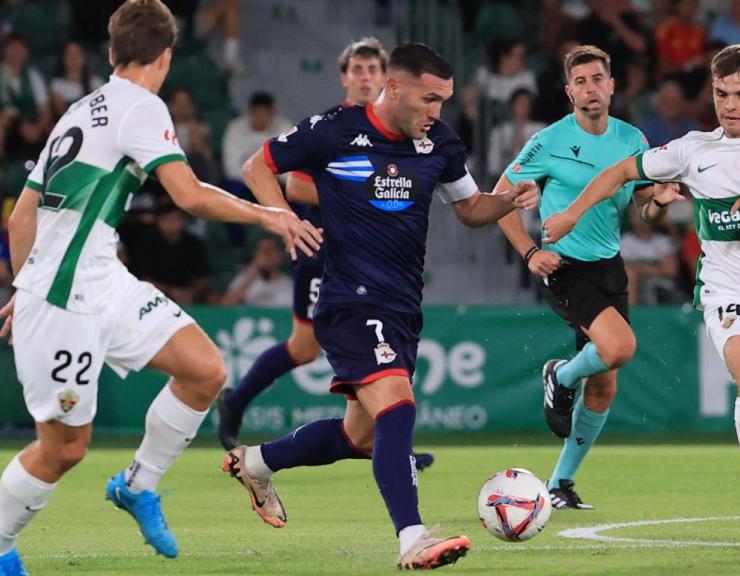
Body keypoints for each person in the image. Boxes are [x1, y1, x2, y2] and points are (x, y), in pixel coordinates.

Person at [0, 2, 320, 574]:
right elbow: (190, 195)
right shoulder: (142, 106)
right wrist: (268, 215)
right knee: (64, 450)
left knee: (205, 370)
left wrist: (25, 277)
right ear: (167, 55)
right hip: (63, 299)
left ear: (111, 53)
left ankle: (137, 485)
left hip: (101, 279)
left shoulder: (80, 110)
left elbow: (19, 217)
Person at [226, 43, 537, 570]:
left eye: (444, 100)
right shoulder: (335, 129)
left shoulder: (439, 141)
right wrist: (280, 216)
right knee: (398, 406)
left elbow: (470, 210)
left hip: (402, 306)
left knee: (357, 435)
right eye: (429, 99)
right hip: (349, 298)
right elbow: (258, 165)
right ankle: (412, 538)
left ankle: (256, 462)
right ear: (394, 88)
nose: (436, 111)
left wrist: (511, 198)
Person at [545, 44, 740, 546]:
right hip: (729, 292)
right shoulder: (692, 150)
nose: (731, 104)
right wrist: (577, 214)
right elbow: (620, 174)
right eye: (721, 94)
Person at [495, 45, 670, 510]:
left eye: (598, 79)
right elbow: (499, 199)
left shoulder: (632, 139)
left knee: (606, 382)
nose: (591, 89)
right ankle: (560, 374)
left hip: (608, 265)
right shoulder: (550, 140)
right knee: (619, 347)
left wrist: (659, 202)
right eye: (581, 82)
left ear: (612, 85)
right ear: (569, 90)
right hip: (564, 264)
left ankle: (558, 484)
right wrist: (530, 252)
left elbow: (644, 212)